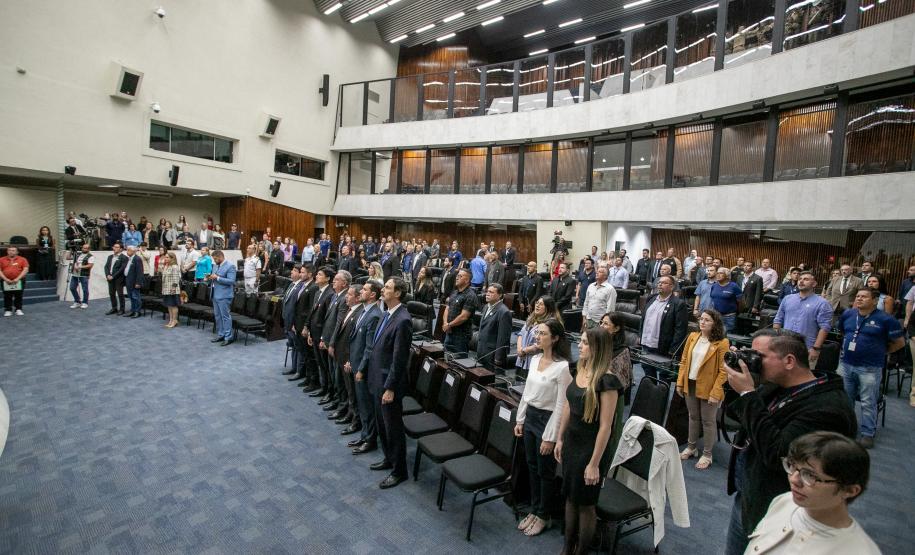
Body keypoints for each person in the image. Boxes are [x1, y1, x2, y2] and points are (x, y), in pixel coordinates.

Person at [722, 328, 858, 555]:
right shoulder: (776, 385)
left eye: (760, 356)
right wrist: (740, 382)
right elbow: (733, 419)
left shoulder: (827, 408)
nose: (754, 360)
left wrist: (748, 394)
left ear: (789, 361)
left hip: (782, 516)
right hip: (749, 499)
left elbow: (778, 454)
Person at [745, 431, 879, 554]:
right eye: (792, 466)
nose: (793, 479)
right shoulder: (784, 501)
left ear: (850, 490)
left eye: (810, 475)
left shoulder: (860, 551)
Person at [555, 327, 623, 555]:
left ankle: (581, 551)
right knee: (570, 497)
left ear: (596, 348)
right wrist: (560, 438)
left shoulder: (608, 381)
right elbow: (568, 405)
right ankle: (567, 547)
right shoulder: (580, 368)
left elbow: (606, 426)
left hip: (590, 449)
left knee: (585, 504)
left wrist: (594, 464)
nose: (580, 346)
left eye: (584, 343)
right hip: (572, 443)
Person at [514, 319, 572, 537]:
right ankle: (535, 509)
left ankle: (544, 515)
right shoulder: (536, 358)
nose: (537, 337)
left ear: (555, 338)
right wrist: (520, 420)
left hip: (547, 422)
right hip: (530, 418)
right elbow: (527, 394)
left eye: (543, 334)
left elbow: (561, 405)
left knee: (545, 471)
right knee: (531, 466)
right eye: (537, 333)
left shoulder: (563, 367)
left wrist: (551, 437)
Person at [837, 288, 904, 449]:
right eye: (858, 296)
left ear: (874, 300)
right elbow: (842, 332)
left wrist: (882, 351)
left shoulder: (886, 319)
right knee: (846, 399)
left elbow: (900, 342)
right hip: (846, 364)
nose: (859, 299)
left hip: (870, 367)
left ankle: (868, 433)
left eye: (864, 297)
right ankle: (847, 428)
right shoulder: (848, 315)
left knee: (868, 401)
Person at [363, 277, 413, 489]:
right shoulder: (386, 313)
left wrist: (390, 387)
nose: (383, 290)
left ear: (398, 293)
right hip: (377, 378)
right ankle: (388, 458)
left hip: (388, 384)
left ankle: (399, 470)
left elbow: (399, 359)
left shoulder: (403, 320)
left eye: (387, 288)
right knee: (382, 425)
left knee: (392, 428)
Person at [676, 309, 730, 470]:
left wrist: (716, 392)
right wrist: (680, 382)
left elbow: (723, 370)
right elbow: (684, 361)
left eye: (707, 320)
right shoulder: (693, 337)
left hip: (709, 387)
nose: (702, 322)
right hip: (690, 383)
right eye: (701, 319)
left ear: (715, 324)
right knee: (693, 417)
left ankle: (707, 454)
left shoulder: (722, 343)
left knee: (708, 421)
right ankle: (691, 447)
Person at [773, 271, 832, 367]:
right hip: (785, 347)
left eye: (806, 279)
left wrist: (816, 349)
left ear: (814, 284)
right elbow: (778, 320)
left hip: (807, 349)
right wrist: (776, 340)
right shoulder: (787, 299)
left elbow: (825, 327)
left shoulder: (822, 303)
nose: (801, 281)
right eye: (800, 279)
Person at [351, 280, 384, 454]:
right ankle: (364, 435)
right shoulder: (364, 311)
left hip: (363, 369)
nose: (361, 292)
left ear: (372, 295)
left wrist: (361, 369)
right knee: (362, 404)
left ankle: (370, 440)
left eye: (364, 289)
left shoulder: (375, 315)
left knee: (367, 407)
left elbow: (369, 348)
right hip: (356, 363)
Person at [640, 275, 689, 381]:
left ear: (672, 287)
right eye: (659, 282)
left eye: (664, 283)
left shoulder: (678, 304)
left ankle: (661, 396)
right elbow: (643, 320)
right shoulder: (651, 298)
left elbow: (680, 330)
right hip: (646, 343)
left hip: (664, 347)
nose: (660, 284)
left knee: (663, 377)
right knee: (648, 373)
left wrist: (673, 349)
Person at [329, 284, 363, 429]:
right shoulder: (350, 310)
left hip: (349, 359)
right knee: (345, 387)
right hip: (341, 355)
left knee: (352, 391)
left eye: (349, 295)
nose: (346, 297)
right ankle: (349, 413)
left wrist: (349, 359)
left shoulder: (360, 313)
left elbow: (355, 341)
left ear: (357, 298)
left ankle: (355, 421)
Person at [516, 296, 561, 375]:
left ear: (548, 308)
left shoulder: (550, 323)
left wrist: (524, 350)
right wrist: (519, 349)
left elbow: (541, 343)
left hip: (535, 360)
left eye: (541, 304)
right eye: (537, 303)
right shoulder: (531, 318)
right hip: (521, 359)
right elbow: (521, 333)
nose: (537, 305)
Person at [442, 268, 479, 356]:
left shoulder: (470, 296)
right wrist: (445, 323)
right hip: (449, 332)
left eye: (460, 276)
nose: (457, 278)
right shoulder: (454, 293)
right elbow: (447, 308)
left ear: (467, 280)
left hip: (461, 336)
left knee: (459, 363)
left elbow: (464, 316)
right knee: (445, 358)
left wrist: (449, 325)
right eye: (457, 275)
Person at [476, 283, 513, 371]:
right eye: (487, 291)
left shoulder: (504, 312)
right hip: (481, 351)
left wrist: (498, 357)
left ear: (500, 295)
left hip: (492, 356)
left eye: (491, 292)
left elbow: (503, 337)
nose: (487, 294)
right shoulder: (486, 307)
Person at [206, 250, 237, 346]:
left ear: (220, 257)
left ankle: (228, 337)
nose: (214, 260)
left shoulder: (230, 266)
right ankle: (221, 334)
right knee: (218, 316)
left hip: (224, 295)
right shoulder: (215, 265)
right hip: (215, 294)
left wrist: (217, 278)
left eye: (215, 259)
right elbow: (214, 277)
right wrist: (209, 277)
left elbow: (231, 281)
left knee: (225, 316)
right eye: (213, 259)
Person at [598, 312, 633, 389]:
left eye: (605, 324)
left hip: (610, 389)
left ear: (616, 328)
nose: (601, 326)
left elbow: (621, 380)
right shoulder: (598, 343)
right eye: (601, 322)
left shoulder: (622, 352)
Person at [581, 266, 616, 330]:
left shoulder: (610, 289)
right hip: (588, 319)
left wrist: (604, 324)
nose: (597, 273)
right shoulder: (591, 286)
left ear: (605, 276)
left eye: (600, 272)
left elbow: (610, 309)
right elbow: (586, 303)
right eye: (597, 271)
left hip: (600, 322)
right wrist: (584, 318)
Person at [710, 267, 743, 332]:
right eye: (717, 273)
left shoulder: (734, 286)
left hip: (729, 317)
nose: (718, 275)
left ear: (727, 276)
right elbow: (712, 299)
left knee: (728, 338)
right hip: (716, 316)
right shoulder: (714, 286)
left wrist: (738, 313)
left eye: (721, 273)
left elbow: (741, 302)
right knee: (716, 335)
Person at [1, 246, 29, 316]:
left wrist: (17, 279)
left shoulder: (22, 259)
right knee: (7, 296)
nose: (11, 252)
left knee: (19, 295)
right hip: (5, 281)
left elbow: (25, 269)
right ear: (7, 251)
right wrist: (6, 279)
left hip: (19, 280)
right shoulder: (1, 259)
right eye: (9, 250)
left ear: (17, 252)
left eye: (13, 250)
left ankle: (18, 309)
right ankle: (8, 310)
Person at [67, 243, 94, 309]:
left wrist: (80, 267)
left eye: (85, 248)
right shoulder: (78, 254)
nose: (84, 249)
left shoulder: (90, 256)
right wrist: (71, 250)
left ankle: (85, 302)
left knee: (85, 289)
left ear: (89, 249)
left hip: (84, 274)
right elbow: (67, 258)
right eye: (83, 248)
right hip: (75, 274)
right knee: (72, 288)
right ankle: (77, 301)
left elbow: (90, 265)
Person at [103, 244, 127, 315]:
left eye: (117, 247)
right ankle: (114, 308)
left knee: (120, 294)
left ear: (121, 249)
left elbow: (121, 269)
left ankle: (122, 309)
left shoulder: (124, 257)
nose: (114, 248)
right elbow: (106, 267)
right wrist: (107, 275)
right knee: (111, 293)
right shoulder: (110, 257)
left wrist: (113, 276)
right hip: (110, 278)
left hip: (118, 279)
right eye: (114, 247)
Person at [121, 245, 144, 318]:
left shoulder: (137, 259)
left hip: (135, 282)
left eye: (128, 250)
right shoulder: (129, 258)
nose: (127, 251)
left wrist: (138, 282)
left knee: (136, 297)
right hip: (128, 281)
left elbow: (140, 272)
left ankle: (137, 311)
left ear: (133, 251)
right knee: (131, 296)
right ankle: (132, 310)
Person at [160, 252, 182, 328]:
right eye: (165, 257)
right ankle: (171, 320)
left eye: (167, 257)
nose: (165, 259)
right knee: (169, 305)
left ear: (172, 258)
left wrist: (173, 288)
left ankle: (175, 320)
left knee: (173, 305)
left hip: (173, 289)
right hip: (166, 289)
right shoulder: (167, 266)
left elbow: (176, 278)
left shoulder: (174, 266)